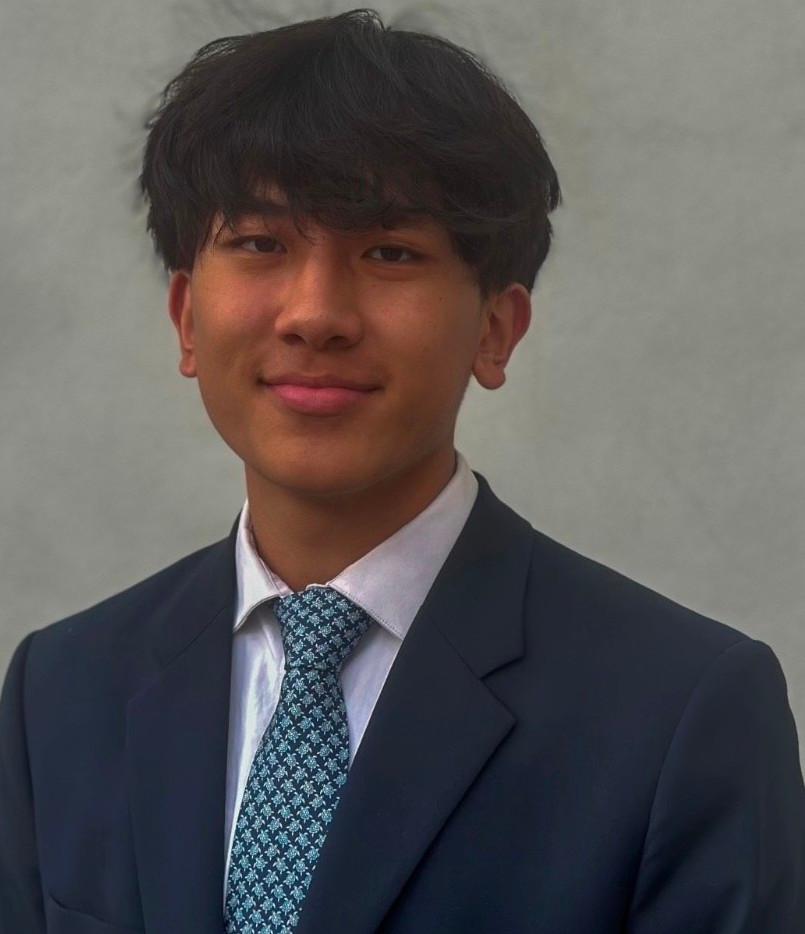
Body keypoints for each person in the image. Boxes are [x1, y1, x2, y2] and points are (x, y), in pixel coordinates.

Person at [1, 8, 803, 933]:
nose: (315, 315)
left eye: (390, 252)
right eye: (261, 243)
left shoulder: (682, 712)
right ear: (186, 317)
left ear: (496, 330)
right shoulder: (61, 690)